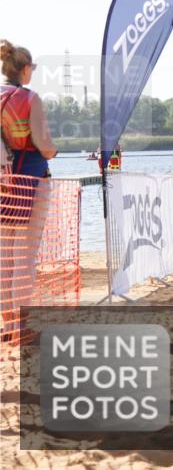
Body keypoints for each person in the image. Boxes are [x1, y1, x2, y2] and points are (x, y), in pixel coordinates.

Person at [0, 40, 57, 340]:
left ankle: (7, 326)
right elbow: (44, 147)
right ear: (24, 69)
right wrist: (54, 150)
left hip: (2, 183)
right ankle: (19, 327)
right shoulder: (29, 98)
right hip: (28, 179)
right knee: (24, 257)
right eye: (31, 68)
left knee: (5, 257)